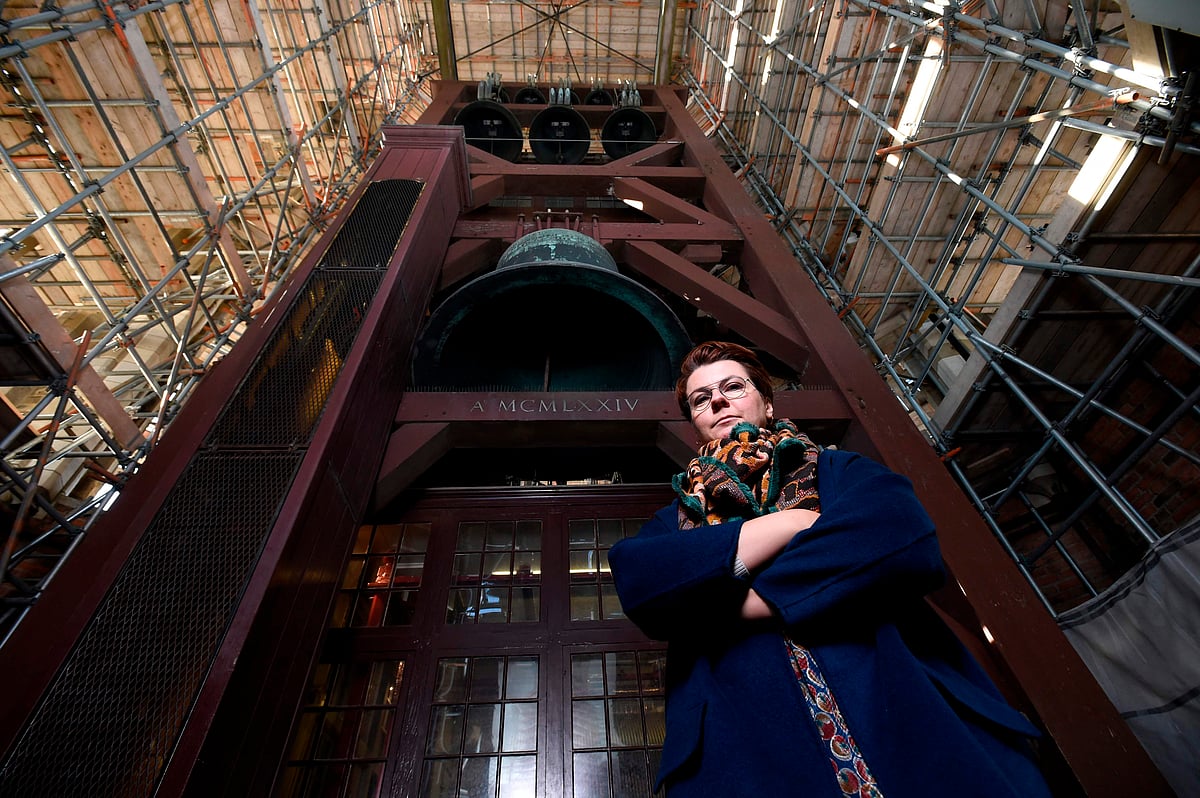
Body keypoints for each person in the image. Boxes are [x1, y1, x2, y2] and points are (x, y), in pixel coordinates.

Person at [608, 341, 1053, 798]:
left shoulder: (834, 470)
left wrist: (727, 600)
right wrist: (793, 523)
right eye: (701, 399)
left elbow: (901, 536)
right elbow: (641, 582)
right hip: (747, 747)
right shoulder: (676, 518)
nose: (718, 400)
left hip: (903, 707)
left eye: (733, 387)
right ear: (696, 422)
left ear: (767, 402)